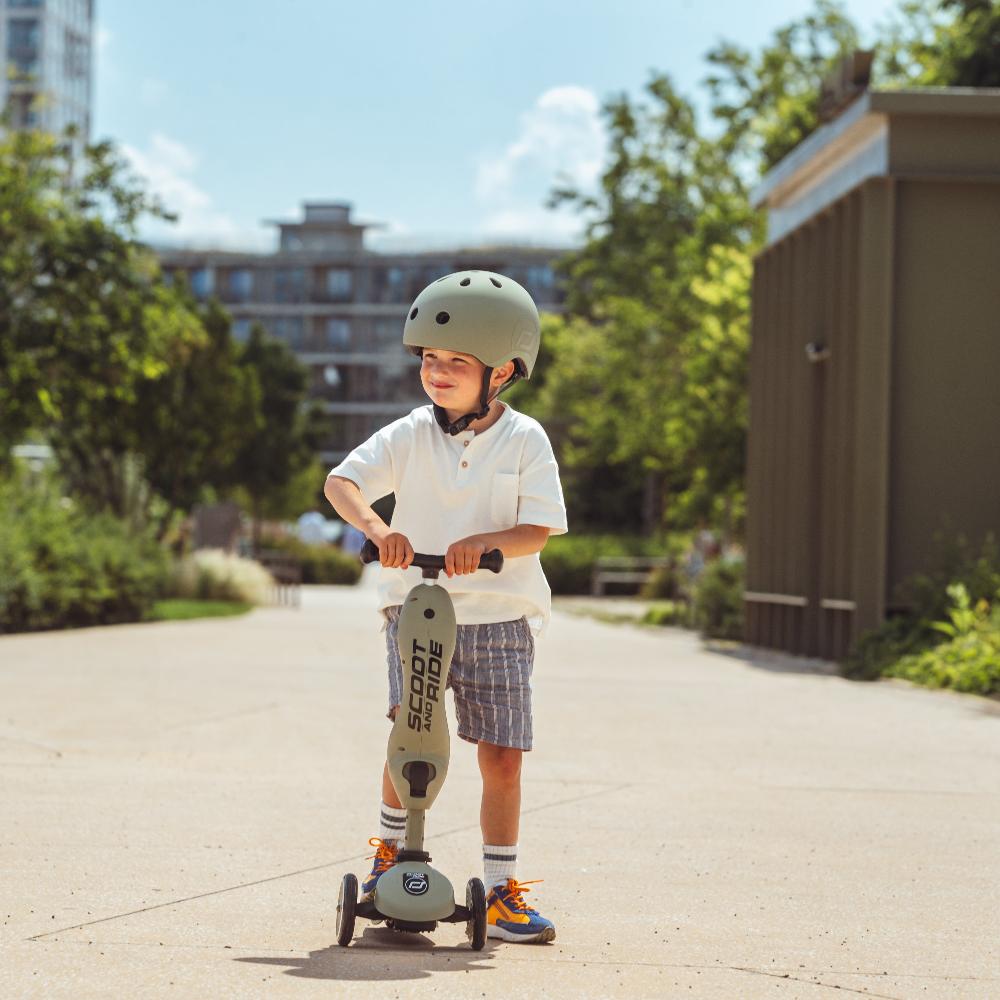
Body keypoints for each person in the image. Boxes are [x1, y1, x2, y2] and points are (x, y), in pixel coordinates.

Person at [324, 271, 567, 944]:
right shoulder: (408, 434)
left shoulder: (526, 440)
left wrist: (486, 542)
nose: (437, 372)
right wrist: (379, 533)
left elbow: (537, 529)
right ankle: (386, 859)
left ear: (504, 371)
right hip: (418, 612)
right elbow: (341, 482)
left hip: (498, 619)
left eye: (456, 361)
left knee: (503, 757)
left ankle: (500, 890)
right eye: (430, 359)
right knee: (411, 736)